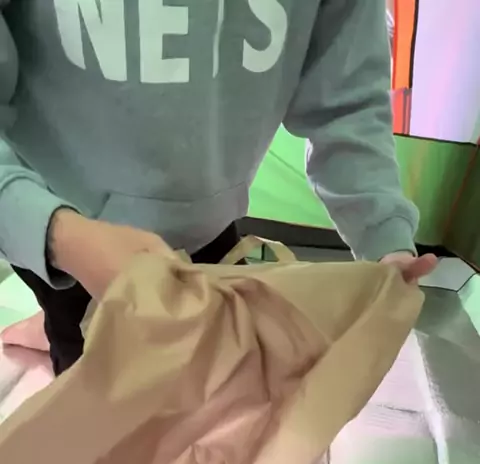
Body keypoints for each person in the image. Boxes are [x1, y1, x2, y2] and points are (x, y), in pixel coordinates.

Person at [0, 0, 436, 375]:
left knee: (215, 371)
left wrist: (383, 236)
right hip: (64, 236)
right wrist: (54, 233)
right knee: (98, 390)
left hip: (207, 222)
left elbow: (348, 101)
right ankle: (55, 327)